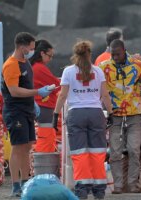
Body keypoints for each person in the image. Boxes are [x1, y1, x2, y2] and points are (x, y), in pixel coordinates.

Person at [52, 40, 113, 199]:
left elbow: (63, 95)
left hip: (76, 114)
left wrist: (55, 114)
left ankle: (82, 191)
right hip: (96, 114)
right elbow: (105, 95)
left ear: (75, 55)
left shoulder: (68, 71)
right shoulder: (98, 71)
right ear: (90, 54)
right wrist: (111, 113)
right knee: (98, 153)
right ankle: (99, 191)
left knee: (80, 154)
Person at [1, 32, 54, 197]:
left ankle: (26, 182)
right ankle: (15, 185)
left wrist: (33, 101)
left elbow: (25, 86)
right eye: (31, 47)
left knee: (27, 146)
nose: (33, 50)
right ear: (22, 46)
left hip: (27, 110)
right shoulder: (11, 64)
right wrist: (37, 91)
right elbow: (14, 91)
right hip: (15, 111)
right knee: (17, 147)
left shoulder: (26, 63)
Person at [99, 39, 141, 193]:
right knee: (115, 152)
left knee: (134, 149)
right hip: (115, 114)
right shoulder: (104, 67)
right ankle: (118, 186)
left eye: (118, 54)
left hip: (134, 113)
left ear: (124, 50)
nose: (115, 57)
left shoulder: (137, 64)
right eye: (112, 54)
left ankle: (133, 184)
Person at [30, 39, 60, 152]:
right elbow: (57, 84)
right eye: (49, 56)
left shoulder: (33, 66)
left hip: (39, 106)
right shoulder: (39, 68)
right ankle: (44, 166)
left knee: (44, 137)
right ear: (42, 53)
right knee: (46, 137)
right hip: (44, 107)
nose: (50, 59)